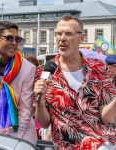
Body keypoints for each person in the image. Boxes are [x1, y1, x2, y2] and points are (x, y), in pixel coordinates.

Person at [34, 15, 116, 149]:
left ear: (81, 38)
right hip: (68, 145)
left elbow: (106, 117)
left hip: (103, 143)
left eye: (68, 34)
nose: (62, 38)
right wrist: (40, 100)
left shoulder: (99, 68)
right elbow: (44, 123)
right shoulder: (44, 72)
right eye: (59, 34)